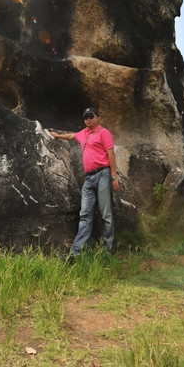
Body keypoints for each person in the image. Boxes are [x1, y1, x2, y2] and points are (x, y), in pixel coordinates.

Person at [50, 106, 118, 257]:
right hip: (89, 178)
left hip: (103, 174)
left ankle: (108, 250)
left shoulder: (103, 133)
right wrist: (56, 136)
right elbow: (71, 136)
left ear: (97, 117)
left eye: (91, 116)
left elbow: (111, 154)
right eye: (86, 117)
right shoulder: (83, 133)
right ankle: (77, 252)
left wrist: (114, 177)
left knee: (105, 214)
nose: (88, 119)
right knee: (85, 214)